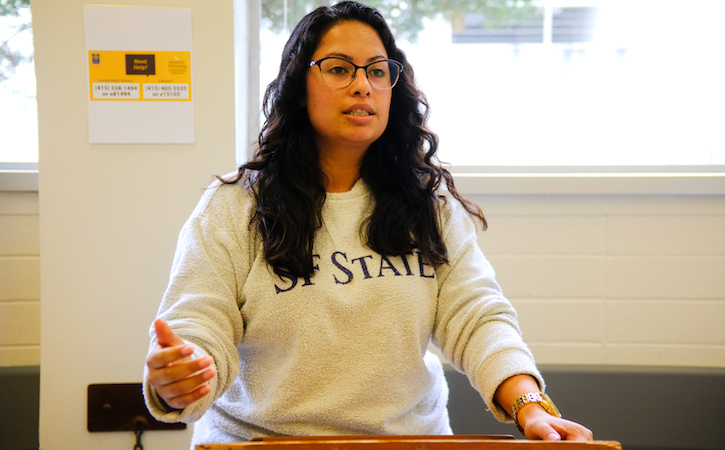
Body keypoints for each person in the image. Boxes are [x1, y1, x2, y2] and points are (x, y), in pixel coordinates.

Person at [143, 1, 593, 447]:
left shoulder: (428, 203)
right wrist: (183, 374)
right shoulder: (234, 205)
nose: (363, 85)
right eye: (340, 69)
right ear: (299, 87)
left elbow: (477, 316)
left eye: (378, 71)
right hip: (263, 442)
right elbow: (199, 322)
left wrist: (530, 406)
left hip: (407, 442)